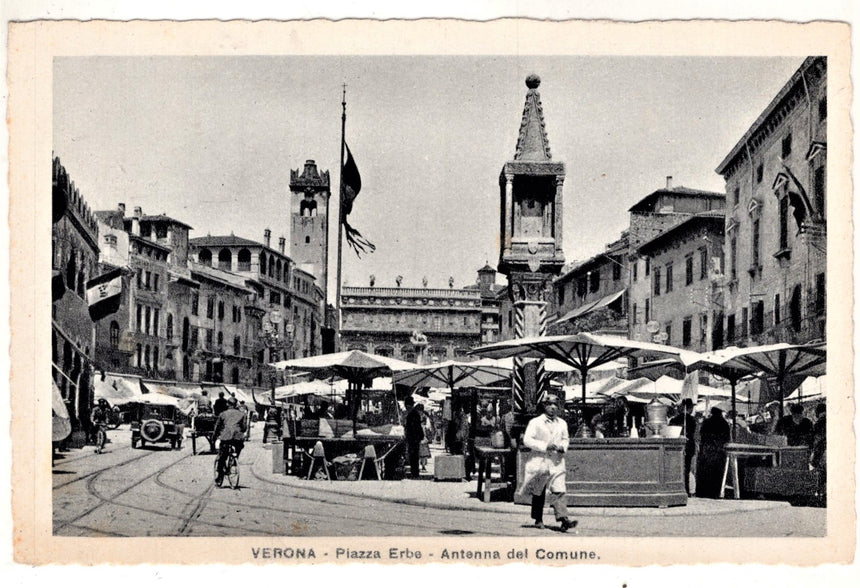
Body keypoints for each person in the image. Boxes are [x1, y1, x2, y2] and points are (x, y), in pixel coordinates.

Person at [520, 394, 576, 532]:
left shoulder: (562, 423)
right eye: (549, 405)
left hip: (557, 461)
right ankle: (538, 519)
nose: (553, 407)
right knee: (539, 490)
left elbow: (565, 439)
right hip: (540, 460)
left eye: (555, 405)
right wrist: (545, 445)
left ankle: (564, 519)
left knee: (559, 489)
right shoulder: (535, 422)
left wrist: (563, 447)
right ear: (544, 406)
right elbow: (527, 440)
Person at [695, 407, 731, 498]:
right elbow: (727, 438)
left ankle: (703, 492)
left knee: (705, 473)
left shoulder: (706, 422)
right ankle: (715, 493)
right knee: (717, 473)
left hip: (707, 450)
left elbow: (702, 435)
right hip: (719, 451)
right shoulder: (724, 423)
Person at [213, 396, 247, 486]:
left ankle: (220, 476)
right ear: (236, 405)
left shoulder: (223, 414)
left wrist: (215, 437)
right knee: (239, 446)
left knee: (221, 457)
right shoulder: (242, 414)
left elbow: (217, 427)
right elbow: (244, 428)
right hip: (237, 437)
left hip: (226, 437)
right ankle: (234, 461)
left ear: (228, 404)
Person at [670, 398, 697, 496]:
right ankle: (685, 490)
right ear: (689, 408)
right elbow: (694, 433)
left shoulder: (674, 419)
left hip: (675, 447)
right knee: (686, 469)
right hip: (688, 446)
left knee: (676, 469)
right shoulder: (692, 420)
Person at [404, 397, 425, 479]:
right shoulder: (413, 413)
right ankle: (415, 472)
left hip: (414, 438)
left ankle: (415, 473)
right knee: (414, 455)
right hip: (414, 438)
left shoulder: (413, 414)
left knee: (414, 455)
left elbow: (415, 427)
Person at [810, 403, 826, 506]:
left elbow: (816, 439)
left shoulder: (819, 423)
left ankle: (820, 493)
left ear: (817, 413)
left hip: (823, 450)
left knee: (820, 471)